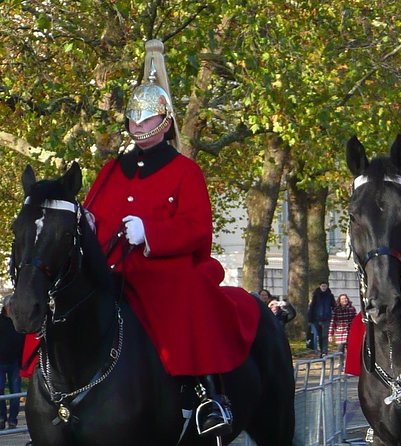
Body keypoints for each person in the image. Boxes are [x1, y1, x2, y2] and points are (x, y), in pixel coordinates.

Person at [83, 39, 260, 438]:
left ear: (164, 122)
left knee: (189, 291)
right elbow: (91, 215)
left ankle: (205, 393)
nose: (139, 127)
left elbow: (198, 228)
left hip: (163, 269)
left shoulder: (185, 171)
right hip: (113, 271)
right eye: (135, 120)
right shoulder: (111, 171)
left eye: (147, 121)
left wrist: (151, 233)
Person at [0, 303, 24, 430]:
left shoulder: (17, 322)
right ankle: (2, 417)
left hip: (14, 362)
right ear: (5, 307)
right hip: (1, 362)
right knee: (0, 390)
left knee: (16, 391)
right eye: (11, 306)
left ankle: (13, 420)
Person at [307, 282, 335, 357]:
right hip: (316, 318)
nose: (324, 287)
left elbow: (333, 305)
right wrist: (310, 319)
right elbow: (312, 307)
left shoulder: (330, 295)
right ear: (320, 286)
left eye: (325, 286)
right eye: (322, 286)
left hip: (326, 318)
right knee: (319, 335)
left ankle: (324, 351)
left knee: (325, 335)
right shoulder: (315, 295)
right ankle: (321, 349)